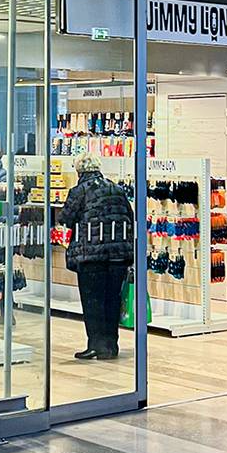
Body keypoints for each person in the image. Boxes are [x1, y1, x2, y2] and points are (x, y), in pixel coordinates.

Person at [57, 154, 134, 360]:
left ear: (79, 171)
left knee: (93, 301)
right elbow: (129, 215)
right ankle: (111, 346)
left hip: (91, 255)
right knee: (112, 300)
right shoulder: (117, 189)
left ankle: (95, 344)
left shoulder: (79, 191)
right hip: (118, 255)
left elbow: (65, 218)